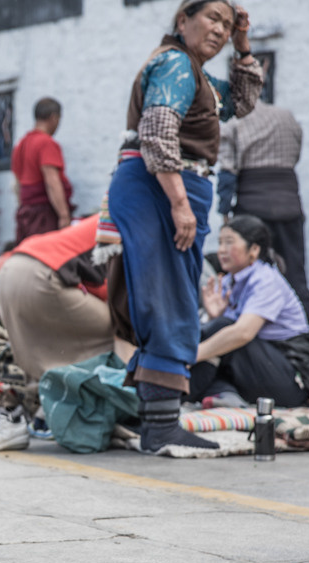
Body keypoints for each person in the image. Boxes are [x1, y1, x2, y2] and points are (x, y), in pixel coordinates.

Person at [104, 0, 262, 452]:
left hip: (169, 188)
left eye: (227, 25)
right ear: (182, 20)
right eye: (212, 18)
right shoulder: (174, 63)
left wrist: (244, 45)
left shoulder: (196, 74)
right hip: (161, 188)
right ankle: (159, 426)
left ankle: (158, 418)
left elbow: (241, 104)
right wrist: (179, 203)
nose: (220, 29)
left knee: (171, 295)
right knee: (168, 299)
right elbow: (156, 133)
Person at [190, 215, 309, 408]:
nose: (221, 251)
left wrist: (192, 355)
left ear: (253, 249)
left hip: (292, 380)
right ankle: (223, 395)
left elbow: (243, 333)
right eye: (220, 243)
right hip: (260, 370)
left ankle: (180, 392)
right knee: (217, 330)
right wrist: (214, 316)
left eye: (229, 243)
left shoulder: (266, 280)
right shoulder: (229, 282)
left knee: (224, 331)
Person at [218, 100, 309, 318]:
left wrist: (225, 214)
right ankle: (304, 329)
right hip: (289, 204)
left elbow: (227, 173)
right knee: (295, 270)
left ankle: (244, 320)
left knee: (247, 270)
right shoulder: (287, 117)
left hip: (252, 208)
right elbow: (295, 156)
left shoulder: (234, 122)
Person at [0, 216, 113, 383]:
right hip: (40, 275)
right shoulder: (131, 224)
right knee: (117, 333)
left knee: (38, 352)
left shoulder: (109, 217)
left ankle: (35, 391)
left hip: (8, 272)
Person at [11, 98, 72, 242]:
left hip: (26, 212)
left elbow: (17, 184)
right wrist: (64, 215)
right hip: (44, 215)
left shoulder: (21, 144)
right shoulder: (45, 143)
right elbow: (52, 181)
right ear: (53, 117)